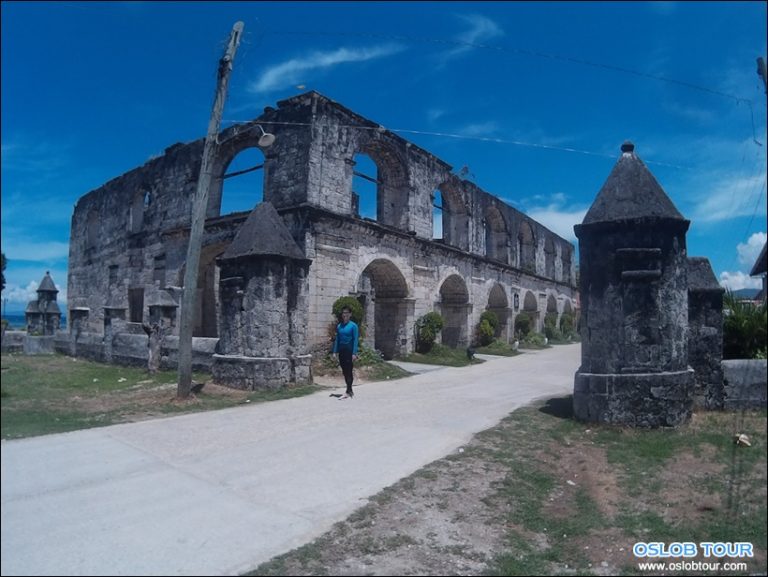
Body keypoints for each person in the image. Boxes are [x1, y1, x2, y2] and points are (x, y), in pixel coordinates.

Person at [332, 306, 359, 398]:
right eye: (343, 313)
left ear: (350, 314)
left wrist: (354, 353)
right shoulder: (339, 326)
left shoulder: (353, 326)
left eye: (347, 313)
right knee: (344, 371)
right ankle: (350, 390)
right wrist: (334, 351)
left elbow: (355, 339)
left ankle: (348, 391)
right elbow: (337, 339)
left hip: (349, 350)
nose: (345, 315)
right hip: (342, 351)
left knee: (349, 370)